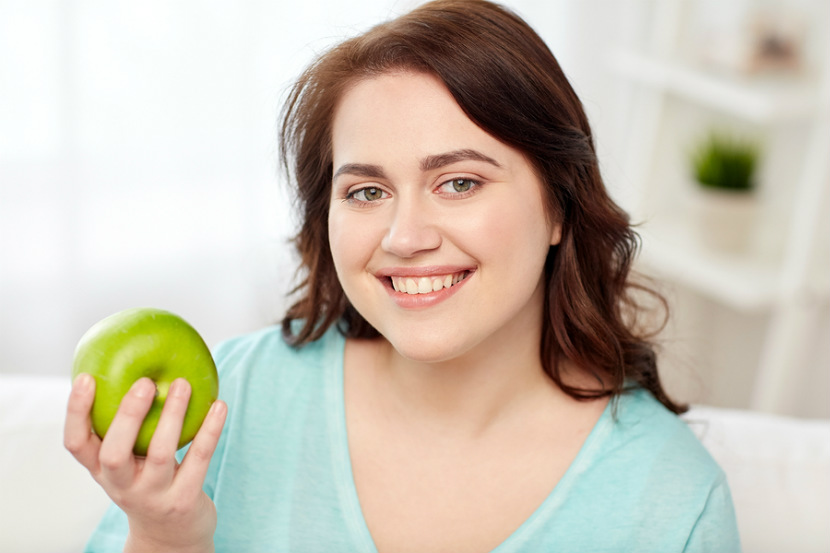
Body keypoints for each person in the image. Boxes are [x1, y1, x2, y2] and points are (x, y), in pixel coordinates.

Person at [64, 1, 741, 551]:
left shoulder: (671, 500)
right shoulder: (230, 401)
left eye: (459, 181)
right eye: (366, 192)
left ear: (559, 204)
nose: (406, 237)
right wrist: (164, 537)